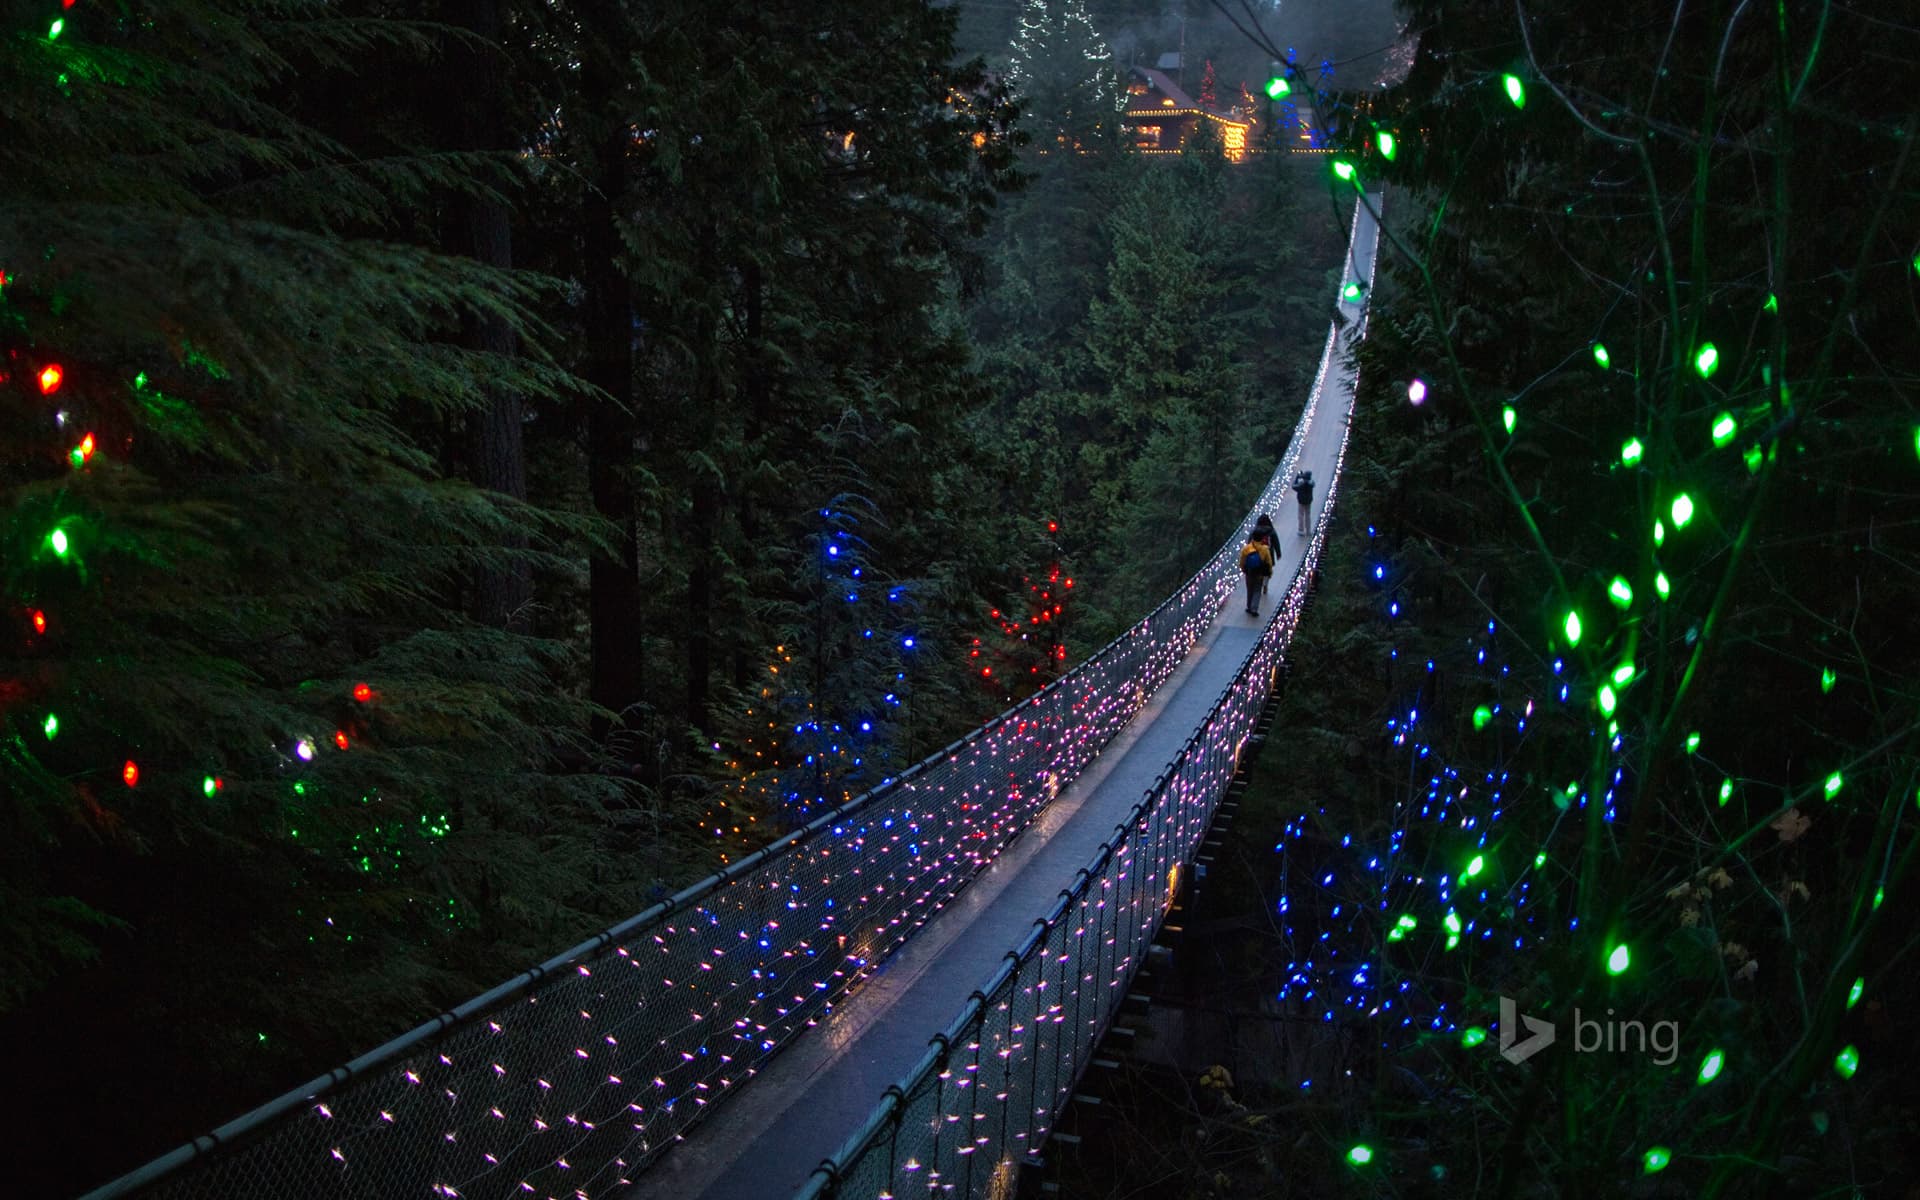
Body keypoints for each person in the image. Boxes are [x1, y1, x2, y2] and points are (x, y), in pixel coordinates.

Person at [1240, 530, 1273, 616]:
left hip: (1249, 573)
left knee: (1250, 589)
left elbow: (1242, 561)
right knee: (1257, 590)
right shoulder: (1265, 549)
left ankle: (1249, 607)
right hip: (1259, 574)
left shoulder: (1246, 548)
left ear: (1252, 538)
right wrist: (1269, 573)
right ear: (1262, 538)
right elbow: (1269, 562)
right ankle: (1254, 609)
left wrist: (1243, 569)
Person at [1252, 513, 1278, 596]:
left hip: (1257, 554)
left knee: (1258, 569)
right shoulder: (1271, 531)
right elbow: (1276, 542)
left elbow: (1249, 542)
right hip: (1268, 555)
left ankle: (1259, 583)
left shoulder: (1255, 530)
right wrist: (1278, 553)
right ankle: (1265, 585)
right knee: (1267, 571)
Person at [1293, 470, 1315, 534]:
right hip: (1308, 501)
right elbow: (1312, 483)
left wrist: (1297, 478)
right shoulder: (1311, 483)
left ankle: (1301, 530)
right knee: (1308, 515)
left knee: (1301, 515)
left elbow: (1294, 486)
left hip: (1301, 501)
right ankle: (1308, 530)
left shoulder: (1301, 484)